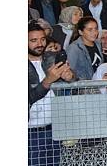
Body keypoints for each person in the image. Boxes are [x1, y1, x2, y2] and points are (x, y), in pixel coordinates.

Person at [28, 23, 71, 166]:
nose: (39, 44)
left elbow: (75, 80)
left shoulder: (52, 58)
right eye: (33, 40)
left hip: (54, 128)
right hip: (30, 132)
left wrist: (70, 77)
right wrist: (47, 81)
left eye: (42, 39)